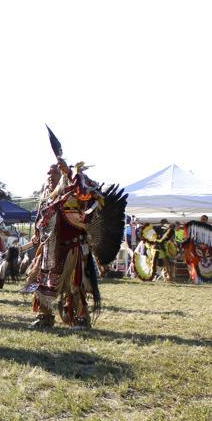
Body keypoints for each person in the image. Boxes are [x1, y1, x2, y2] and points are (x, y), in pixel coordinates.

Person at [28, 127, 125, 330]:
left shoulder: (75, 188)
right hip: (50, 247)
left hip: (73, 247)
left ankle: (81, 317)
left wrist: (69, 173)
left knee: (75, 283)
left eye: (53, 172)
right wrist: (37, 236)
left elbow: (91, 194)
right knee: (44, 279)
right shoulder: (47, 197)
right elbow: (41, 220)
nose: (49, 176)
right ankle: (45, 316)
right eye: (48, 173)